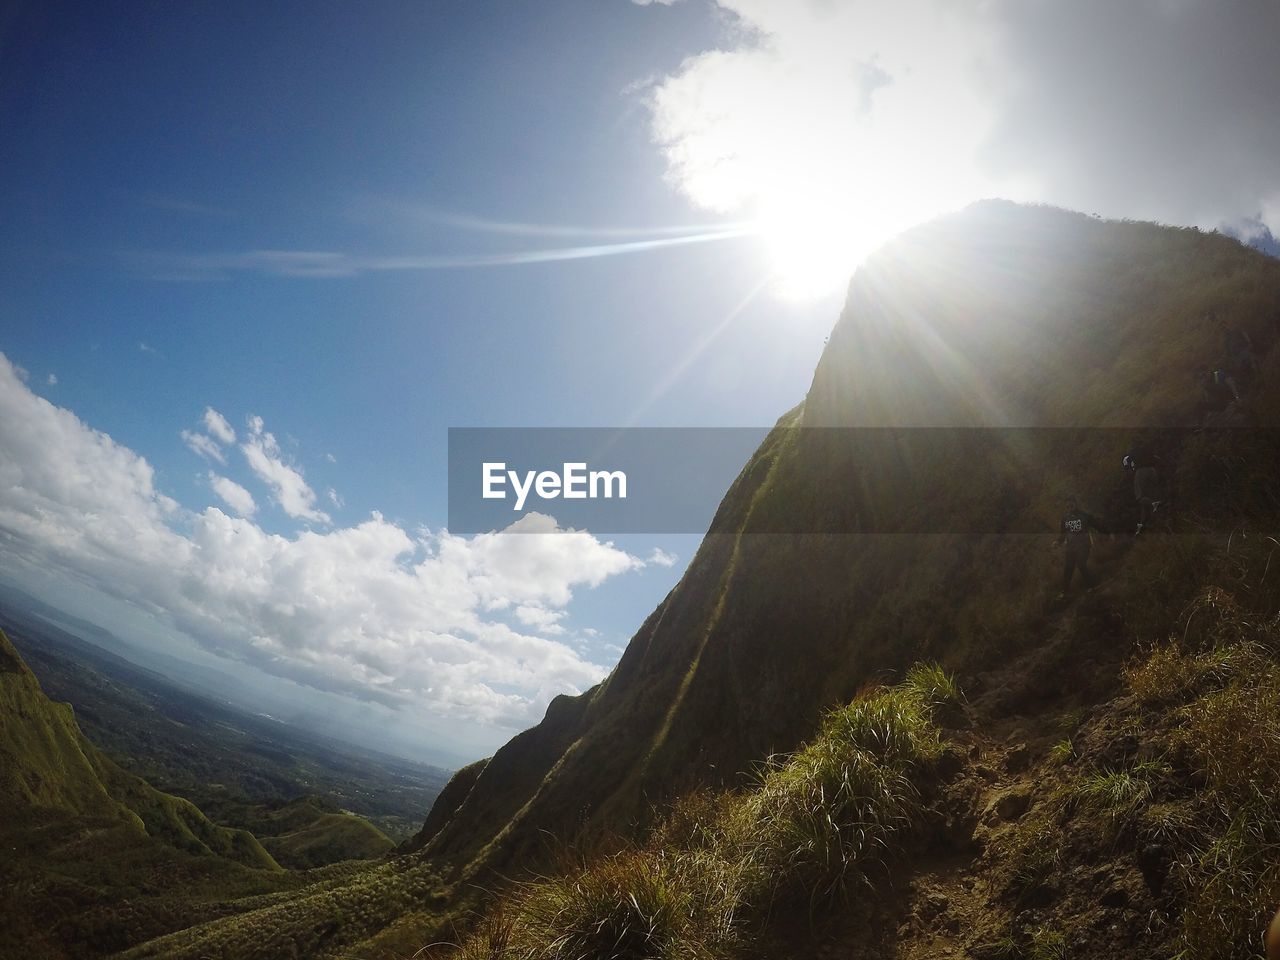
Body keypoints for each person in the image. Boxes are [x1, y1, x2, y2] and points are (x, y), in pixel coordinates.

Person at [1053, 496, 1105, 598]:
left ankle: (1094, 585)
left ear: (1076, 504)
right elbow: (1063, 534)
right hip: (1070, 547)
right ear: (1065, 507)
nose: (1069, 507)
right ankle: (1065, 592)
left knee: (1081, 563)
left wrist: (1107, 532)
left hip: (1084, 545)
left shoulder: (1084, 515)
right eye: (1067, 506)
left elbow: (1097, 525)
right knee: (1068, 568)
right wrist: (1057, 542)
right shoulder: (1065, 518)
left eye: (1071, 504)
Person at [1123, 454, 1164, 535]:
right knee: (1145, 505)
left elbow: (1129, 468)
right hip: (1153, 471)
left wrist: (1131, 472)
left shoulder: (1128, 459)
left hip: (1141, 472)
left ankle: (1153, 504)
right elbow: (1158, 459)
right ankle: (1141, 528)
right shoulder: (1146, 454)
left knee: (1140, 498)